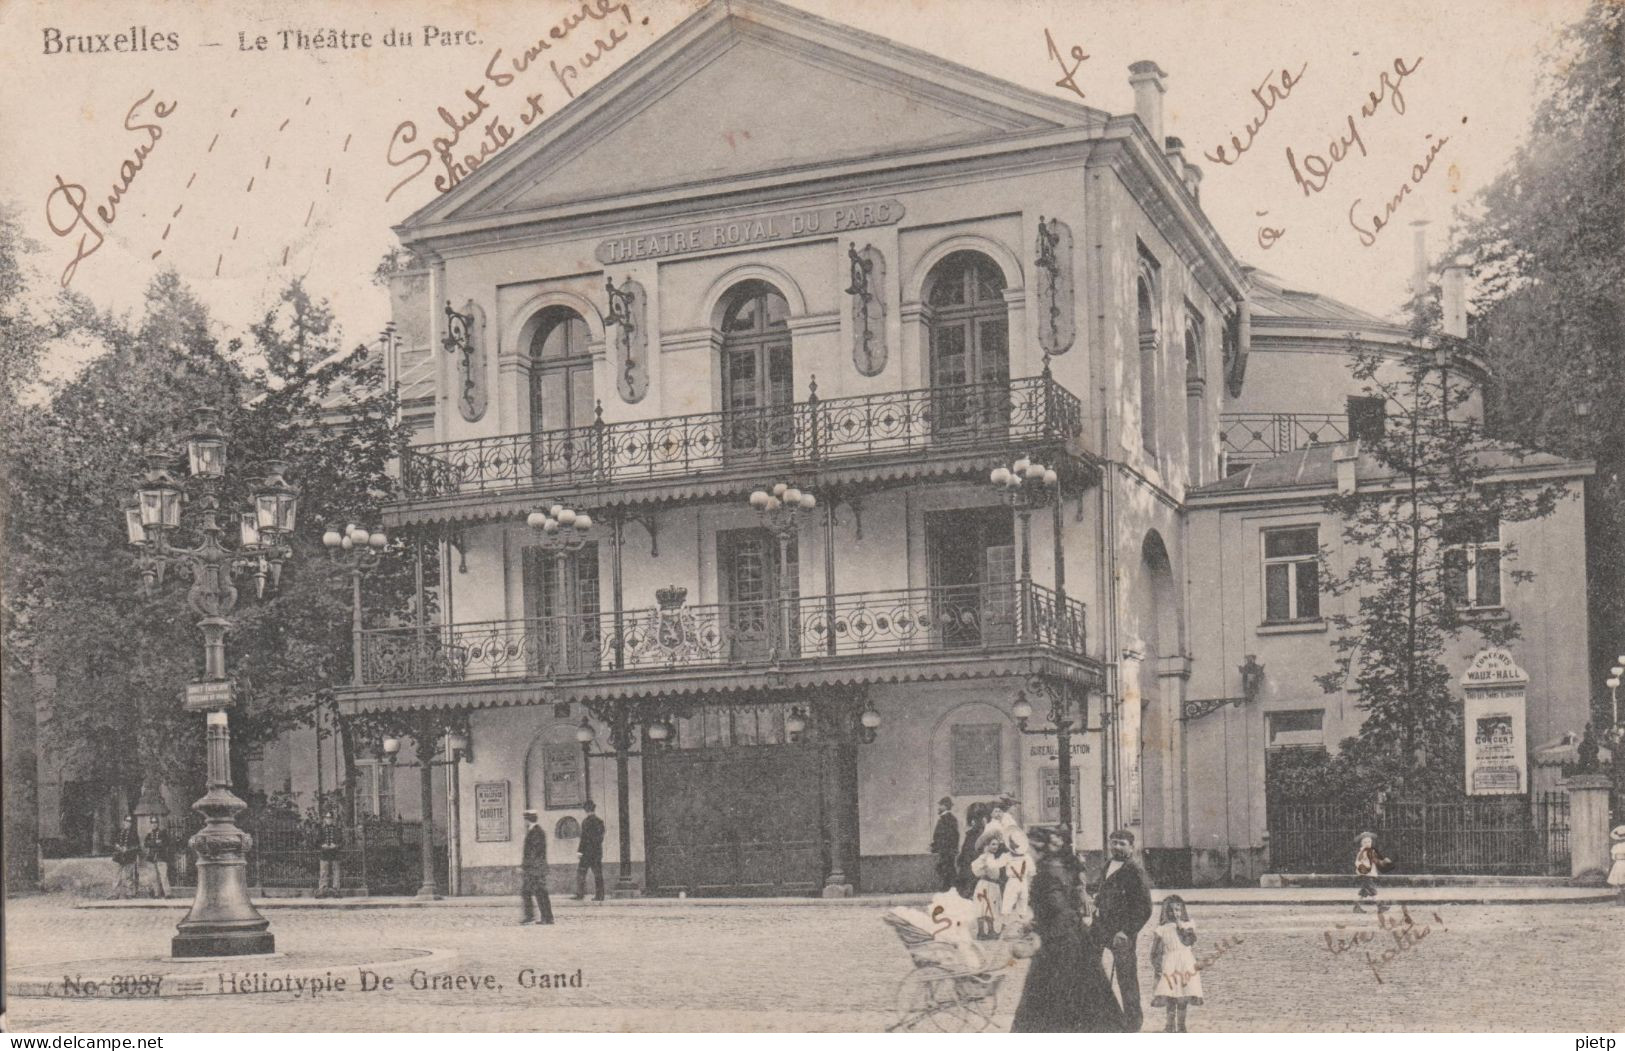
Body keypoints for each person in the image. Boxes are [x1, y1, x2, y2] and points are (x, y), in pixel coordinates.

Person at [1011, 826, 1125, 1032]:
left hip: (1059, 948)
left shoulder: (1045, 874)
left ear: (1038, 850)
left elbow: (1059, 911)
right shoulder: (1061, 867)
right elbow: (1063, 906)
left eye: (1030, 849)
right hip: (1076, 942)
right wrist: (1037, 922)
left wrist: (1040, 929)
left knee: (1052, 1002)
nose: (1028, 853)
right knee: (1086, 998)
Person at [1090, 828, 1153, 1032]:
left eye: (1121, 843)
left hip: (1121, 933)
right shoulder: (1108, 864)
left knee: (1126, 978)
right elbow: (1105, 889)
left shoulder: (1135, 870)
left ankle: (1133, 1023)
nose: (1116, 847)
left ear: (1131, 847)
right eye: (1113, 842)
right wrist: (1097, 900)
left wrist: (1126, 931)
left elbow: (1145, 907)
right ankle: (1096, 1016)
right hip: (1100, 927)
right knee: (1089, 968)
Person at [1150, 895, 1203, 1032]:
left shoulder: (1188, 925)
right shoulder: (1162, 929)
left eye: (1178, 910)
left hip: (1186, 963)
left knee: (1183, 996)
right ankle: (1169, 1025)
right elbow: (1154, 951)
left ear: (1182, 910)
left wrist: (1182, 928)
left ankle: (1181, 1025)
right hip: (1170, 964)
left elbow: (1190, 941)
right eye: (1171, 910)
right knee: (1170, 996)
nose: (1175, 913)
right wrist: (1157, 966)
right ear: (1165, 912)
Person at [519, 809, 554, 925]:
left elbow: (534, 852)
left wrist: (526, 867)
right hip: (535, 868)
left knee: (539, 892)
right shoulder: (536, 831)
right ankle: (541, 917)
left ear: (527, 820)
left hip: (535, 869)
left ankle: (545, 918)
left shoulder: (536, 832)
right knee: (529, 892)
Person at [970, 833, 1008, 938]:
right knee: (982, 907)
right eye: (993, 844)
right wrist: (984, 861)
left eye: (996, 845)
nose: (995, 847)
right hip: (985, 885)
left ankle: (991, 930)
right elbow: (975, 867)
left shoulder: (992, 857)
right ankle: (981, 932)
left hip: (993, 885)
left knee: (991, 907)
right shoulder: (985, 857)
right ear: (987, 846)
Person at [1353, 831, 1392, 913]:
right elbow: (1375, 860)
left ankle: (1356, 907)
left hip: (1366, 873)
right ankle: (1380, 906)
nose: (1367, 843)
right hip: (1367, 874)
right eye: (1365, 842)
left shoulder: (1365, 851)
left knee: (1363, 891)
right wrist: (1384, 861)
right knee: (1373, 890)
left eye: (1369, 841)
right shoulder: (1367, 851)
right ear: (1362, 843)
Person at [956, 802, 989, 898]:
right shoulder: (972, 834)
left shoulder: (979, 833)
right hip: (969, 863)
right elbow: (966, 850)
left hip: (973, 863)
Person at [575, 801, 606, 901]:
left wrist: (580, 851)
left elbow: (583, 838)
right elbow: (601, 838)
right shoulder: (600, 821)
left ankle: (580, 894)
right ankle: (600, 895)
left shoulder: (585, 822)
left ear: (586, 810)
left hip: (586, 853)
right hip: (597, 852)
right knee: (598, 874)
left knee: (581, 872)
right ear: (594, 809)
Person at [930, 796, 959, 892]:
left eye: (940, 805)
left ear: (946, 806)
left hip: (947, 850)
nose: (938, 808)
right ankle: (950, 888)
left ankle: (950, 889)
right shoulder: (946, 818)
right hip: (946, 850)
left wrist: (939, 846)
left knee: (947, 869)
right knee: (946, 869)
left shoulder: (948, 819)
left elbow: (951, 836)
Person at [109, 816, 140, 900]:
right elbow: (113, 842)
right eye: (126, 821)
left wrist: (128, 849)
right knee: (116, 876)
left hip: (129, 857)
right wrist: (117, 846)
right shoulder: (119, 832)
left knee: (128, 876)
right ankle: (114, 894)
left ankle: (129, 893)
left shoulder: (134, 833)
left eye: (129, 822)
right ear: (123, 822)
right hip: (118, 857)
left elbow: (137, 846)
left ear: (131, 824)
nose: (127, 823)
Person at [316, 809, 342, 898]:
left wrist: (336, 845)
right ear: (324, 819)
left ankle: (336, 890)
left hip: (335, 853)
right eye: (327, 818)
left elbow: (342, 841)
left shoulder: (337, 829)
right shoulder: (321, 830)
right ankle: (322, 890)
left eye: (330, 818)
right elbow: (317, 841)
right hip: (324, 853)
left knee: (336, 872)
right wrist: (322, 845)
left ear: (333, 819)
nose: (329, 820)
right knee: (323, 872)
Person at [142, 823, 171, 899]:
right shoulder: (149, 834)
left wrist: (154, 843)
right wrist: (156, 843)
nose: (154, 825)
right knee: (153, 877)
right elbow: (145, 844)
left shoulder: (163, 833)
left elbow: (166, 843)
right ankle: (156, 893)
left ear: (158, 824)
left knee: (163, 876)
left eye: (155, 823)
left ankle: (167, 893)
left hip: (161, 857)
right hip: (151, 858)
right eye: (152, 823)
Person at [1607, 825, 1625, 903]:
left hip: (1618, 864)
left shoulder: (1615, 847)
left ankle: (1620, 899)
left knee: (1619, 882)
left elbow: (1613, 857)